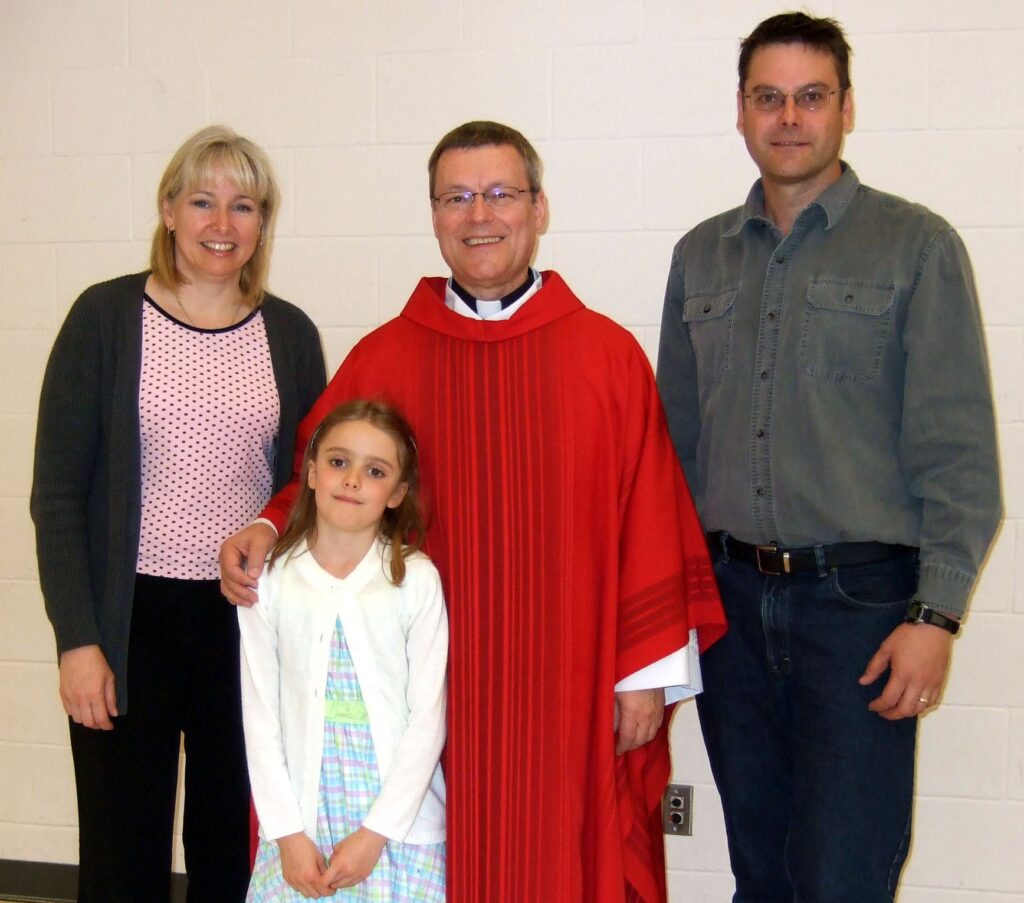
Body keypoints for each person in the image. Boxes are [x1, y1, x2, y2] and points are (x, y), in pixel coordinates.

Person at [222, 120, 726, 902]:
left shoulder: (606, 357)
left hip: (567, 684)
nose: (479, 214)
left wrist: (644, 676)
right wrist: (262, 525)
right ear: (433, 215)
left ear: (538, 206)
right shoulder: (386, 356)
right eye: (457, 197)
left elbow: (651, 515)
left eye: (499, 193)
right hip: (417, 683)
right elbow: (318, 478)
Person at [656, 13, 1002, 902]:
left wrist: (937, 616)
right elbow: (675, 452)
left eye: (811, 97)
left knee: (842, 878)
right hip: (730, 611)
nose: (789, 117)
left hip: (862, 615)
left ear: (846, 108)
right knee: (759, 876)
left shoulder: (916, 248)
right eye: (768, 97)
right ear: (740, 111)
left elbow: (961, 454)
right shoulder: (699, 257)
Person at [30, 125, 327, 903]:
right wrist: (78, 640)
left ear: (264, 221)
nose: (222, 224)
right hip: (129, 622)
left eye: (244, 205)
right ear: (168, 209)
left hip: (246, 621)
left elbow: (307, 483)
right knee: (123, 848)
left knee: (234, 842)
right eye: (202, 201)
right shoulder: (103, 319)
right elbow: (57, 495)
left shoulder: (290, 334)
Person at [240, 400, 447, 902]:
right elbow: (260, 716)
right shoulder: (269, 580)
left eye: (374, 471)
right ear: (310, 473)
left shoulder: (415, 580)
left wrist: (377, 831)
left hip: (394, 832)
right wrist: (287, 833)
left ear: (397, 493)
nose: (352, 480)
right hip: (301, 833)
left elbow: (427, 719)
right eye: (338, 462)